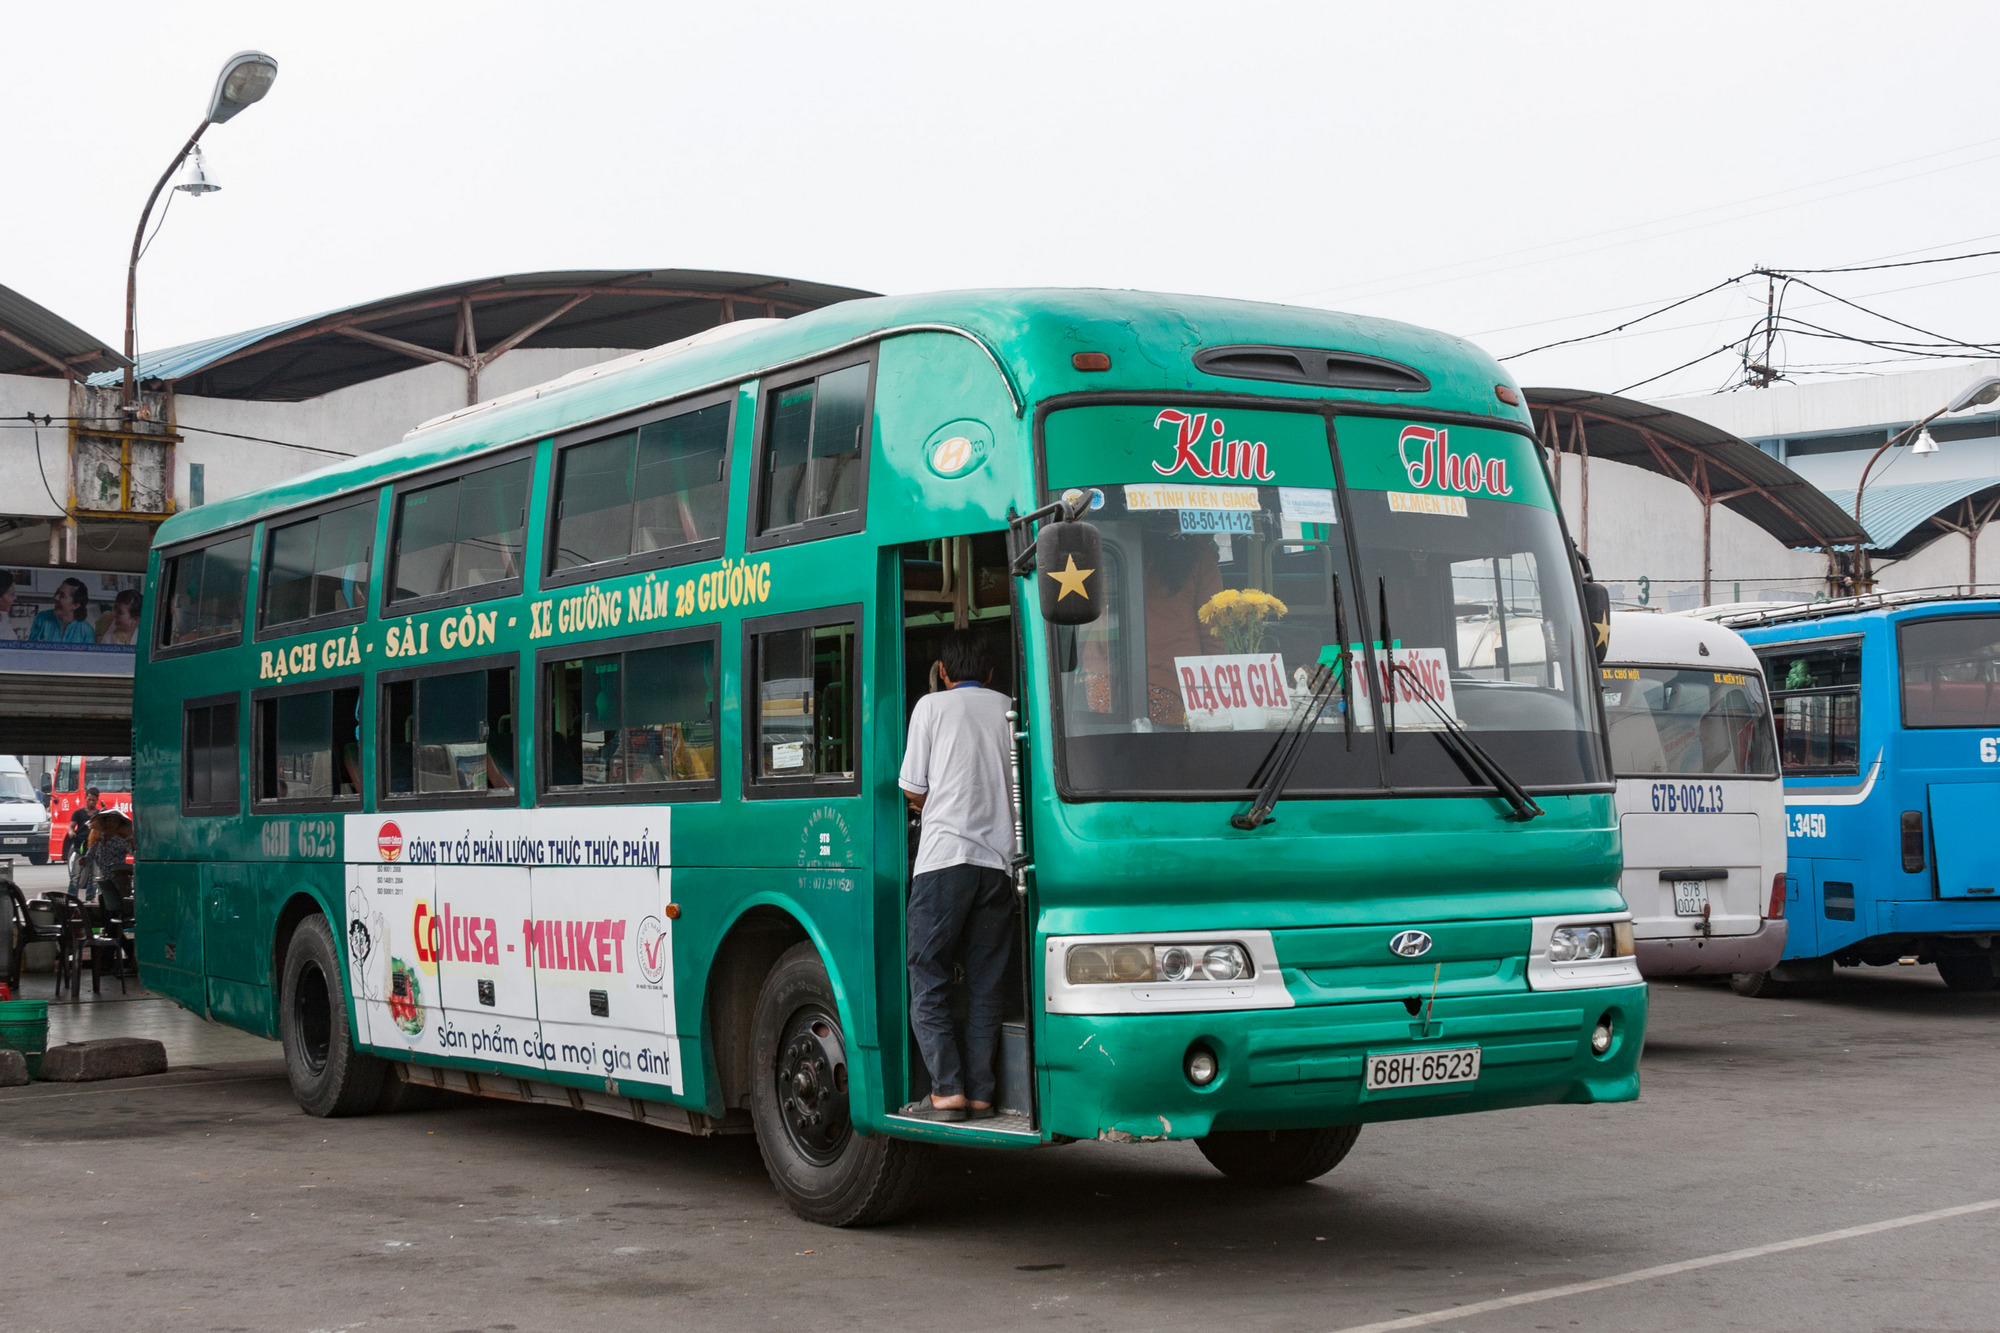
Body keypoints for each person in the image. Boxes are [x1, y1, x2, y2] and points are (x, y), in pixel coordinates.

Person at [897, 630, 1017, 1122]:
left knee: (928, 973)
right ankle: (983, 1093)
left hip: (944, 860)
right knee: (987, 983)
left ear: (943, 672)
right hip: (998, 866)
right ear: (990, 672)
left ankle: (947, 1091)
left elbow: (912, 788)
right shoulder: (1010, 708)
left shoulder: (930, 707)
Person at [75, 810, 134, 906]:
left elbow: (133, 852)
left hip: (117, 883)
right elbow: (89, 856)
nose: (111, 823)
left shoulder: (122, 841)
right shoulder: (99, 839)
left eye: (115, 821)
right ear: (104, 822)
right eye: (109, 820)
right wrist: (83, 860)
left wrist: (132, 844)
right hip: (103, 882)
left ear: (120, 825)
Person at [29, 578, 95, 644]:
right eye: (57, 592)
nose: (56, 597)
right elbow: (30, 650)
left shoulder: (87, 631)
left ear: (75, 605)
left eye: (62, 596)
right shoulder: (41, 618)